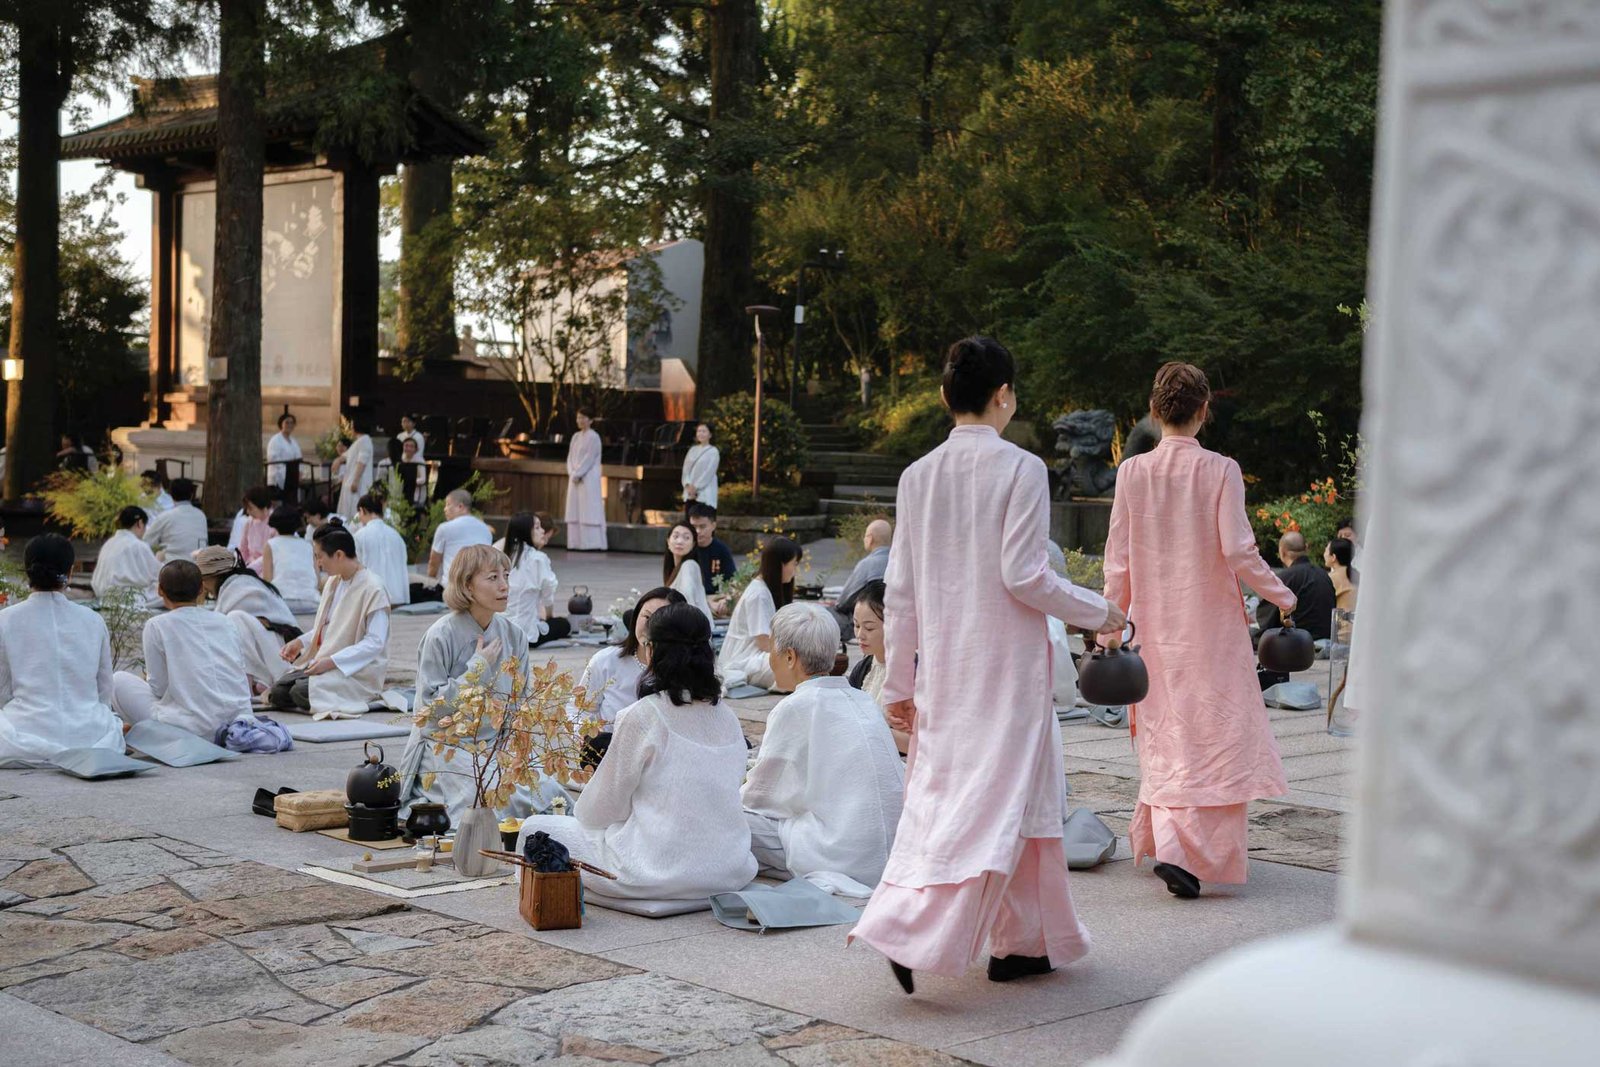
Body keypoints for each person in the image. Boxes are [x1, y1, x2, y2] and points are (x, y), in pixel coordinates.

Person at [852, 336, 1124, 993]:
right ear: (1003, 395)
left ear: (946, 396)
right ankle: (913, 930)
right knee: (997, 802)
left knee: (978, 801)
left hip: (948, 670)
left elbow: (903, 591)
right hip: (1008, 670)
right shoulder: (1022, 468)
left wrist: (900, 680)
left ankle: (1023, 943)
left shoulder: (917, 476)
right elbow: (1025, 574)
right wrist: (1100, 610)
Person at [1102, 361, 1297, 901]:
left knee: (1167, 732)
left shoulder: (1131, 473)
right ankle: (1189, 851)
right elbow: (1238, 549)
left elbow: (1117, 560)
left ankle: (1170, 841)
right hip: (1210, 629)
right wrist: (1282, 595)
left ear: (1154, 410)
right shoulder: (1221, 470)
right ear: (1204, 411)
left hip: (1152, 629)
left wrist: (1108, 628)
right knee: (1215, 736)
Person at [519, 603, 757, 900]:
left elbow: (597, 812)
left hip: (656, 871)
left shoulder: (645, 714)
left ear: (652, 652)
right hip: (730, 869)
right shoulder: (727, 716)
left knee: (534, 828)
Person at [396, 544, 570, 825]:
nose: (504, 586)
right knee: (483, 801)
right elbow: (429, 711)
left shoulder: (513, 635)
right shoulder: (440, 635)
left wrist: (511, 745)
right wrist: (477, 668)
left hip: (497, 744)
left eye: (506, 576)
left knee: (548, 792)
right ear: (467, 585)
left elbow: (520, 700)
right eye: (492, 578)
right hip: (447, 747)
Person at [743, 602, 904, 890]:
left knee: (731, 817)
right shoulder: (861, 699)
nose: (771, 660)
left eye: (773, 652)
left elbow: (760, 797)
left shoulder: (795, 706)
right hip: (890, 851)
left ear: (790, 657)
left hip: (840, 854)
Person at [0, 534, 125, 767]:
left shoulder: (5, 620)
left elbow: (2, 691)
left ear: (27, 572)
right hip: (92, 736)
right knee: (108, 721)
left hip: (25, 735)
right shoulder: (93, 620)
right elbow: (104, 689)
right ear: (70, 573)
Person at [110, 560, 253, 737]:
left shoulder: (157, 625)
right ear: (201, 589)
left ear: (160, 590)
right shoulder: (226, 621)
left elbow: (159, 689)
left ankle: (148, 731)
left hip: (193, 729)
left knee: (117, 681)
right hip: (240, 722)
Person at [268, 524, 391, 717]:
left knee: (299, 692)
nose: (318, 563)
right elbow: (329, 627)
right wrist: (300, 642)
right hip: (326, 661)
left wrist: (332, 661)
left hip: (356, 670)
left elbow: (375, 643)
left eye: (319, 556)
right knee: (278, 692)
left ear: (339, 555)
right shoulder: (334, 583)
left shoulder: (373, 588)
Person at [572, 587, 685, 766]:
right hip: (614, 753)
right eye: (646, 617)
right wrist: (582, 734)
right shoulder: (606, 661)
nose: (650, 627)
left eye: (660, 620)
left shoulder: (685, 668)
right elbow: (577, 709)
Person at [194, 547, 301, 692]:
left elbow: (218, 627)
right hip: (272, 643)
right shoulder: (239, 583)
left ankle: (259, 678)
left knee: (235, 619)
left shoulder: (239, 585)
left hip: (284, 649)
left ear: (213, 575)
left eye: (204, 580)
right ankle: (258, 679)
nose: (204, 586)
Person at [718, 537, 802, 691]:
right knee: (795, 666)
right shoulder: (759, 594)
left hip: (757, 656)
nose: (795, 570)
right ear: (781, 565)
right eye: (794, 564)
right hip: (744, 660)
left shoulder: (765, 589)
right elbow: (764, 643)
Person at [845, 580, 910, 754]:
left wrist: (873, 732)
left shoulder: (910, 670)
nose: (859, 635)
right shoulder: (863, 669)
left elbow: (915, 743)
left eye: (869, 628)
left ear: (892, 626)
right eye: (856, 625)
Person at [497, 512, 571, 647]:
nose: (542, 531)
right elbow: (548, 596)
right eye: (537, 527)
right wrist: (548, 617)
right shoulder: (538, 558)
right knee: (563, 624)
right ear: (526, 532)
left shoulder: (502, 556)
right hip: (525, 634)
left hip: (499, 631)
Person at [1255, 531, 1336, 642]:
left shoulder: (1285, 577)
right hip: (1327, 639)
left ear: (1282, 552)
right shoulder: (1323, 575)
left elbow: (1267, 621)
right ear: (1306, 549)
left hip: (1299, 643)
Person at [832, 519, 892, 639]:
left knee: (826, 614)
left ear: (869, 539)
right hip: (893, 618)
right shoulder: (899, 563)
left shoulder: (867, 564)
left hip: (867, 619)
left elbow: (842, 603)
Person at [428, 488, 493, 593]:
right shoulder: (486, 529)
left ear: (460, 507)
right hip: (480, 588)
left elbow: (433, 563)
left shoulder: (445, 528)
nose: (445, 509)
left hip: (452, 589)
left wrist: (430, 582)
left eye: (448, 504)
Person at [92, 506, 161, 605]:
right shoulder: (138, 545)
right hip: (128, 599)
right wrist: (159, 559)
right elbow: (158, 575)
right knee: (167, 593)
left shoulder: (109, 543)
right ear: (140, 523)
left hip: (104, 597)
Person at [353, 494, 411, 608]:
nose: (359, 517)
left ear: (362, 510)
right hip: (398, 599)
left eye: (359, 513)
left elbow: (355, 569)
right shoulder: (396, 536)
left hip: (373, 599)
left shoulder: (360, 536)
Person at [261, 506, 321, 614]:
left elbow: (267, 581)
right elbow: (317, 579)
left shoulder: (270, 545)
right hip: (312, 602)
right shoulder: (308, 545)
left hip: (282, 602)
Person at [564, 408, 607, 550]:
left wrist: (578, 473)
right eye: (578, 418)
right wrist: (572, 472)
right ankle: (575, 542)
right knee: (574, 509)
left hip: (588, 477)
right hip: (574, 478)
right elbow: (570, 457)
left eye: (583, 418)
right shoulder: (575, 436)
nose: (580, 421)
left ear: (590, 420)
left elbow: (589, 457)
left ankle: (591, 543)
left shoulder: (594, 437)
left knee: (589, 508)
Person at [143, 478, 208, 560]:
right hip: (198, 566)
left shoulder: (165, 517)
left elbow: (145, 542)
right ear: (192, 495)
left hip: (171, 566)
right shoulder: (201, 516)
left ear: (171, 494)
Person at [662, 521, 713, 621]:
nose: (680, 541)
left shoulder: (689, 565)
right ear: (668, 541)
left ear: (693, 544)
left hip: (691, 629)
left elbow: (687, 600)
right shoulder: (674, 569)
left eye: (686, 538)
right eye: (676, 536)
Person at [687, 502, 737, 601]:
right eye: (693, 527)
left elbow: (733, 581)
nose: (697, 531)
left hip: (714, 597)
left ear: (713, 526)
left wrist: (726, 599)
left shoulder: (721, 549)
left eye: (702, 527)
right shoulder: (686, 548)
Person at [333, 417, 375, 520]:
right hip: (350, 480)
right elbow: (347, 455)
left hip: (358, 482)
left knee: (355, 511)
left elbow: (362, 461)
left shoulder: (365, 440)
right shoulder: (359, 441)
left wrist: (355, 481)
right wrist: (338, 460)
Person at [1325, 537, 1358, 644]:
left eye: (1326, 550)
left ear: (1333, 557)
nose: (1324, 553)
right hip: (1357, 633)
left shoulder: (1330, 578)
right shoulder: (1358, 575)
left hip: (1340, 636)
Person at [680, 422, 719, 508]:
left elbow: (709, 471)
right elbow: (686, 470)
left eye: (704, 431)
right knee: (689, 518)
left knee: (703, 518)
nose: (700, 433)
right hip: (689, 492)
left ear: (710, 435)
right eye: (699, 431)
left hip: (705, 491)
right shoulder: (693, 450)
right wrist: (687, 484)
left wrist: (696, 487)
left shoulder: (713, 451)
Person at [237, 486, 274, 571]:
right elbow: (243, 549)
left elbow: (272, 555)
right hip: (249, 566)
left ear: (264, 508)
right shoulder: (249, 522)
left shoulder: (275, 524)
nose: (248, 512)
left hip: (267, 568)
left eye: (250, 508)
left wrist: (251, 568)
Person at [267, 411, 302, 493]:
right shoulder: (275, 440)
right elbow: (274, 460)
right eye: (287, 423)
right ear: (281, 424)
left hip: (292, 476)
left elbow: (299, 458)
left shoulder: (294, 441)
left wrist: (299, 472)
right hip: (278, 477)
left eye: (292, 423)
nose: (289, 425)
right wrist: (287, 472)